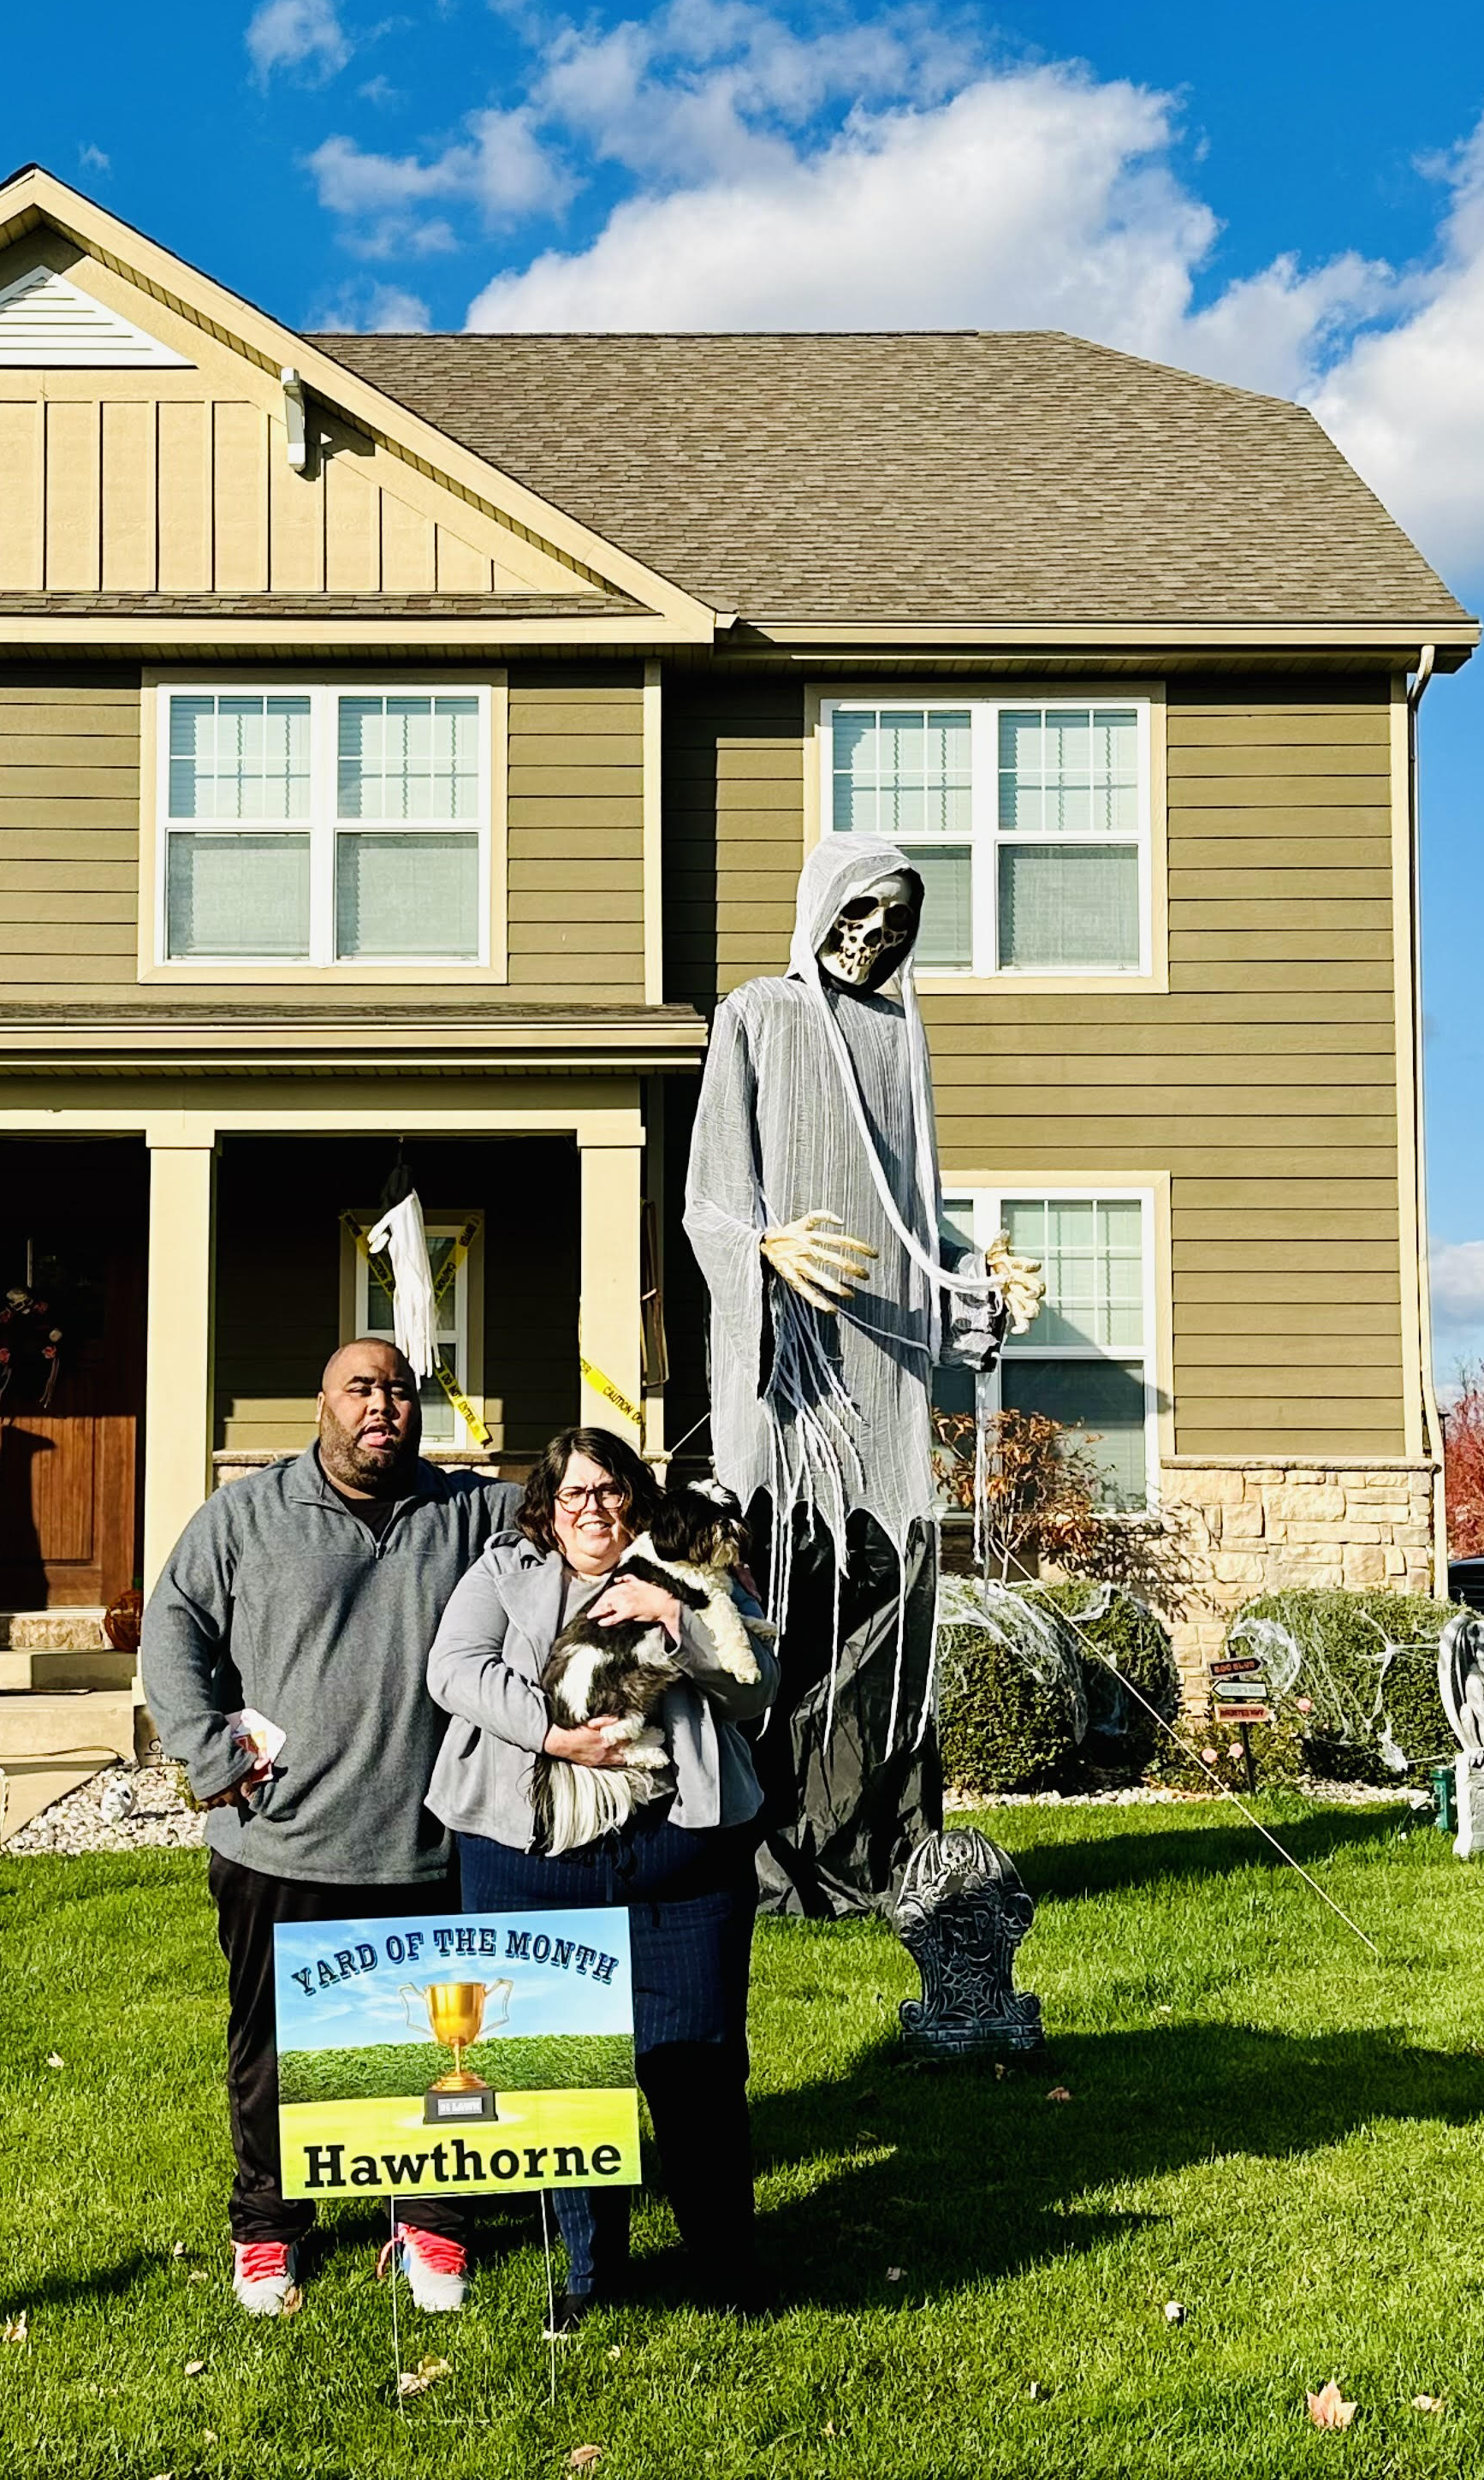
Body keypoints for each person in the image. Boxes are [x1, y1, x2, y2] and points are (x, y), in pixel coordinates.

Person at [683, 835, 1043, 1917]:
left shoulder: (900, 1041)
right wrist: (761, 1246)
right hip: (789, 1387)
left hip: (882, 1395)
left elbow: (910, 1213)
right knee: (776, 1614)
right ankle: (764, 1863)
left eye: (896, 920)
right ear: (817, 910)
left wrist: (977, 1275)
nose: (873, 936)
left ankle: (880, 1853)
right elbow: (710, 1194)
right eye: (856, 912)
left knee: (885, 1615)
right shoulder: (754, 1013)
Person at [142, 1337, 524, 2319]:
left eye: (398, 1390)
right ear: (320, 1403)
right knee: (272, 2045)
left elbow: (587, 1522)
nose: (381, 1406)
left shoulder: (470, 1512)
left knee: (441, 2044)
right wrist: (206, 1750)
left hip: (433, 1839)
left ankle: (431, 2215)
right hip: (281, 1840)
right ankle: (269, 2228)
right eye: (361, 1388)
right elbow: (173, 1626)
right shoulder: (247, 1515)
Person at [424, 1427, 775, 2322]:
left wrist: (675, 1618)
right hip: (529, 1861)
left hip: (677, 1861)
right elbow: (452, 1669)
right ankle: (590, 2273)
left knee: (696, 2067)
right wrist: (553, 1733)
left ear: (637, 1500)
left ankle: (723, 2266)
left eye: (611, 1491)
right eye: (574, 1493)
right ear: (545, 1505)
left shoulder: (686, 1571)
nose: (593, 1509)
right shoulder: (504, 1571)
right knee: (561, 2070)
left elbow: (753, 1685)